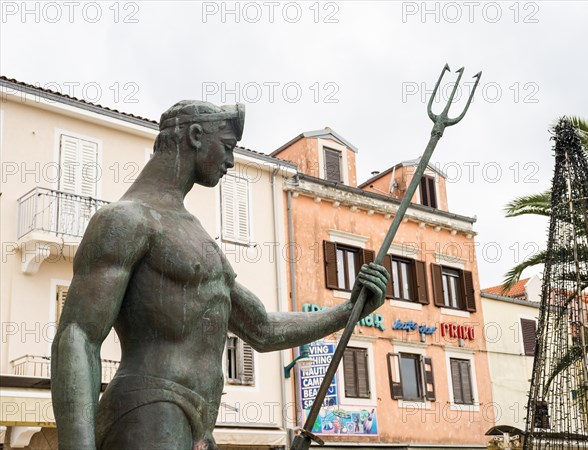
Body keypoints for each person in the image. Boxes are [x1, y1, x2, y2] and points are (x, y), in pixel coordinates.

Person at [51, 100, 389, 450]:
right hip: (149, 408)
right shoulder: (125, 220)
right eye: (227, 147)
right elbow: (77, 336)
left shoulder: (193, 233)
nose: (230, 161)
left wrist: (349, 312)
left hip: (199, 421)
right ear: (196, 136)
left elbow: (262, 329)